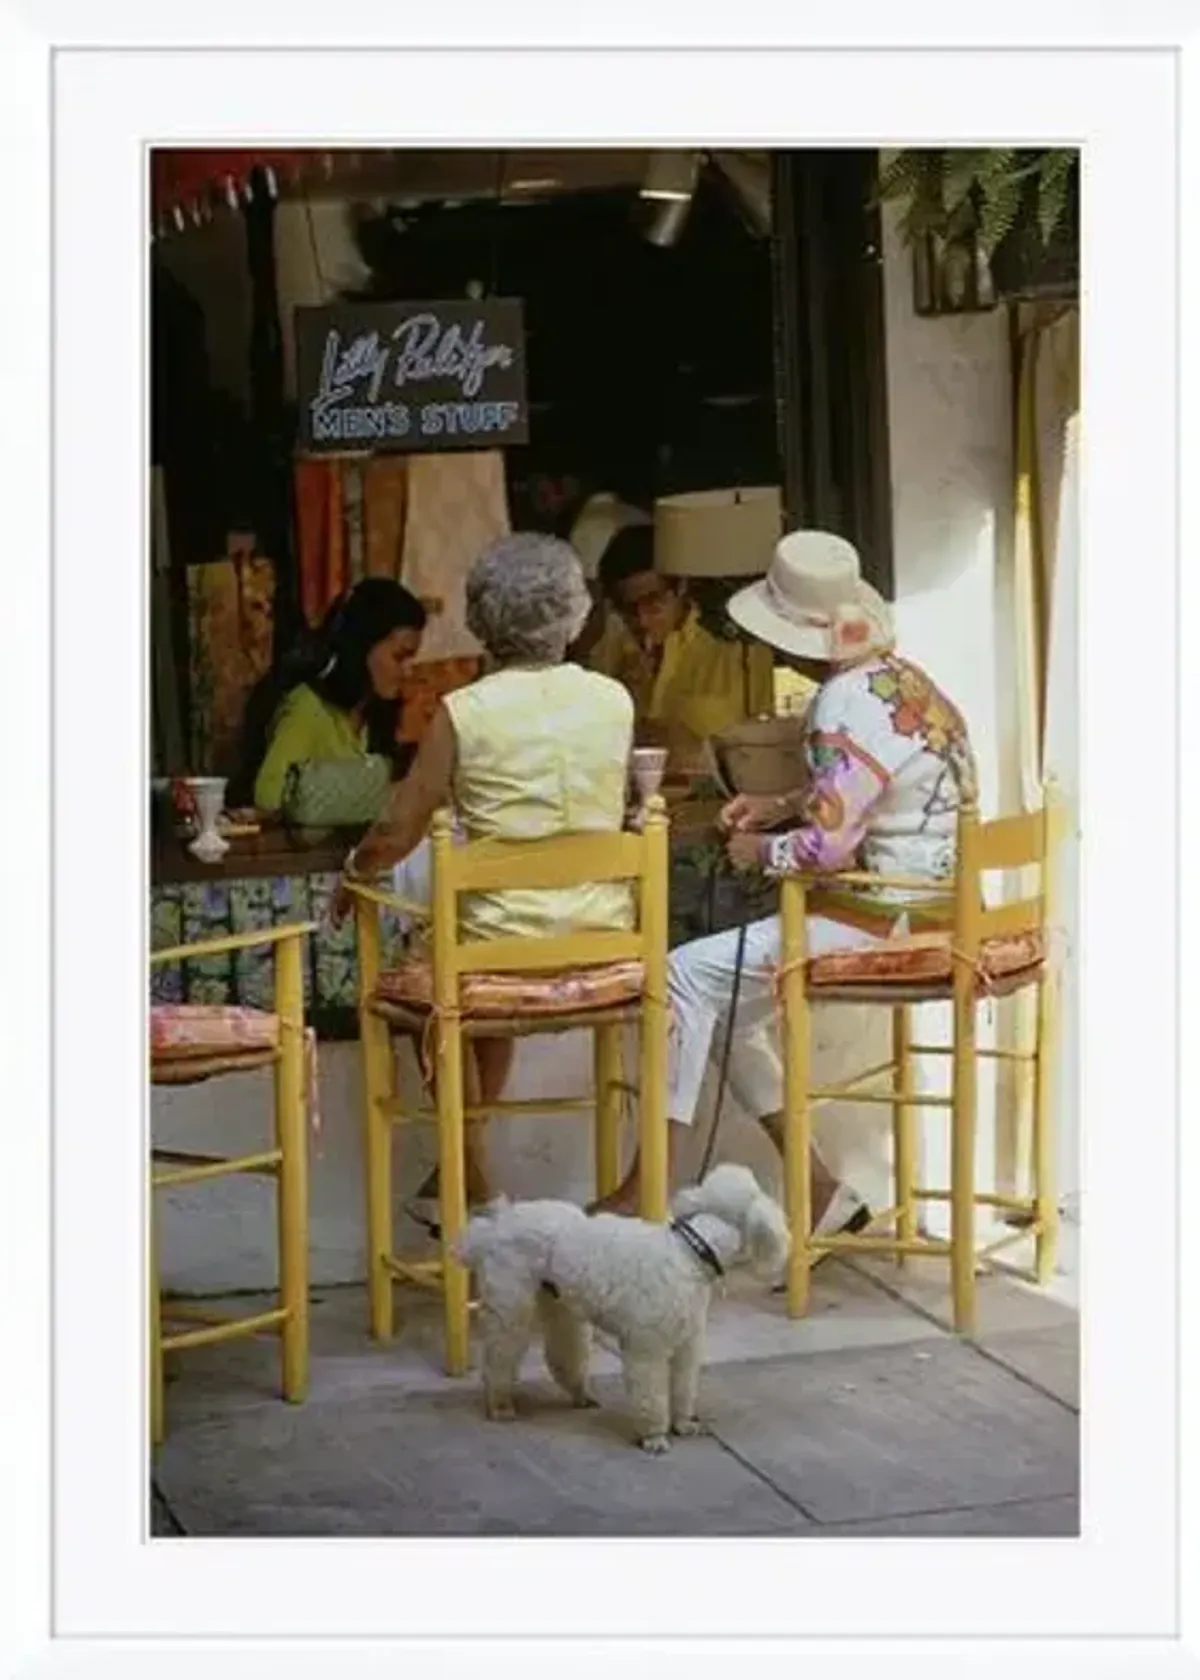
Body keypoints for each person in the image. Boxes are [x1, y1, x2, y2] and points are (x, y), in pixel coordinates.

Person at [590, 531, 978, 1235]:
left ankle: (640, 1193)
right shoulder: (904, 681)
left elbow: (829, 848)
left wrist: (758, 850)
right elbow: (864, 791)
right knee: (725, 1013)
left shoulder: (837, 704)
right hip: (945, 907)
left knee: (682, 976)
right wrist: (781, 805)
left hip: (886, 919)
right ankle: (821, 1188)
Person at [334, 533, 636, 1223]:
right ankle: (459, 1183)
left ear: (479, 617)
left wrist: (353, 875)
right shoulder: (614, 701)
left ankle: (474, 1185)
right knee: (470, 987)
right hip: (604, 943)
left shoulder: (464, 711)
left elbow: (400, 824)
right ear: (577, 614)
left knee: (432, 987)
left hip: (493, 952)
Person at [591, 524, 776, 756]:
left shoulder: (737, 649)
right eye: (628, 609)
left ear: (681, 586)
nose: (642, 620)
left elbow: (766, 744)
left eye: (654, 603)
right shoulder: (610, 651)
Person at [251, 579, 428, 812]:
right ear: (363, 647)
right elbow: (267, 797)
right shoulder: (309, 709)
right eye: (399, 657)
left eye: (411, 660)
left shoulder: (374, 715)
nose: (408, 672)